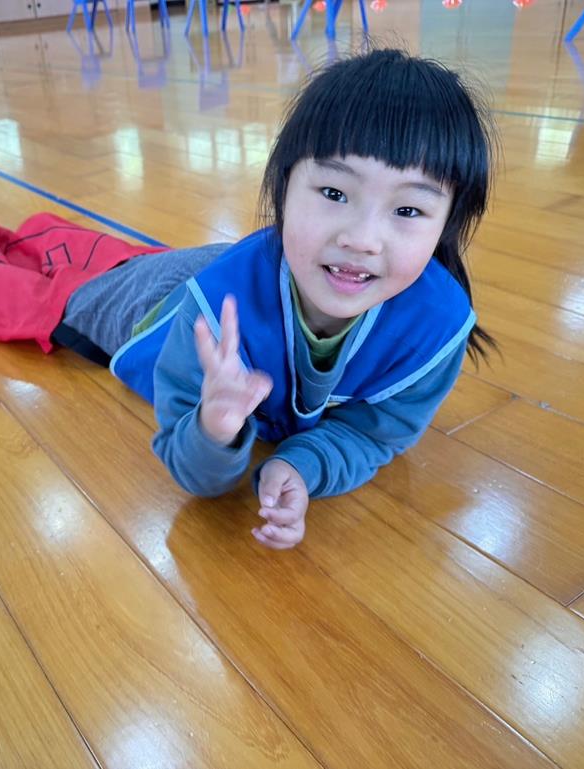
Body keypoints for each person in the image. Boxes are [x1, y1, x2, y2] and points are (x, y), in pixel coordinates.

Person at [58, 49, 497, 550]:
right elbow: (191, 469)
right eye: (334, 193)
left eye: (408, 210)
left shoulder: (437, 327)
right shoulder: (213, 310)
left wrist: (302, 464)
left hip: (263, 263)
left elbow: (373, 434)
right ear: (283, 186)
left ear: (447, 225)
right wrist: (210, 428)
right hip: (164, 300)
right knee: (70, 297)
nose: (362, 239)